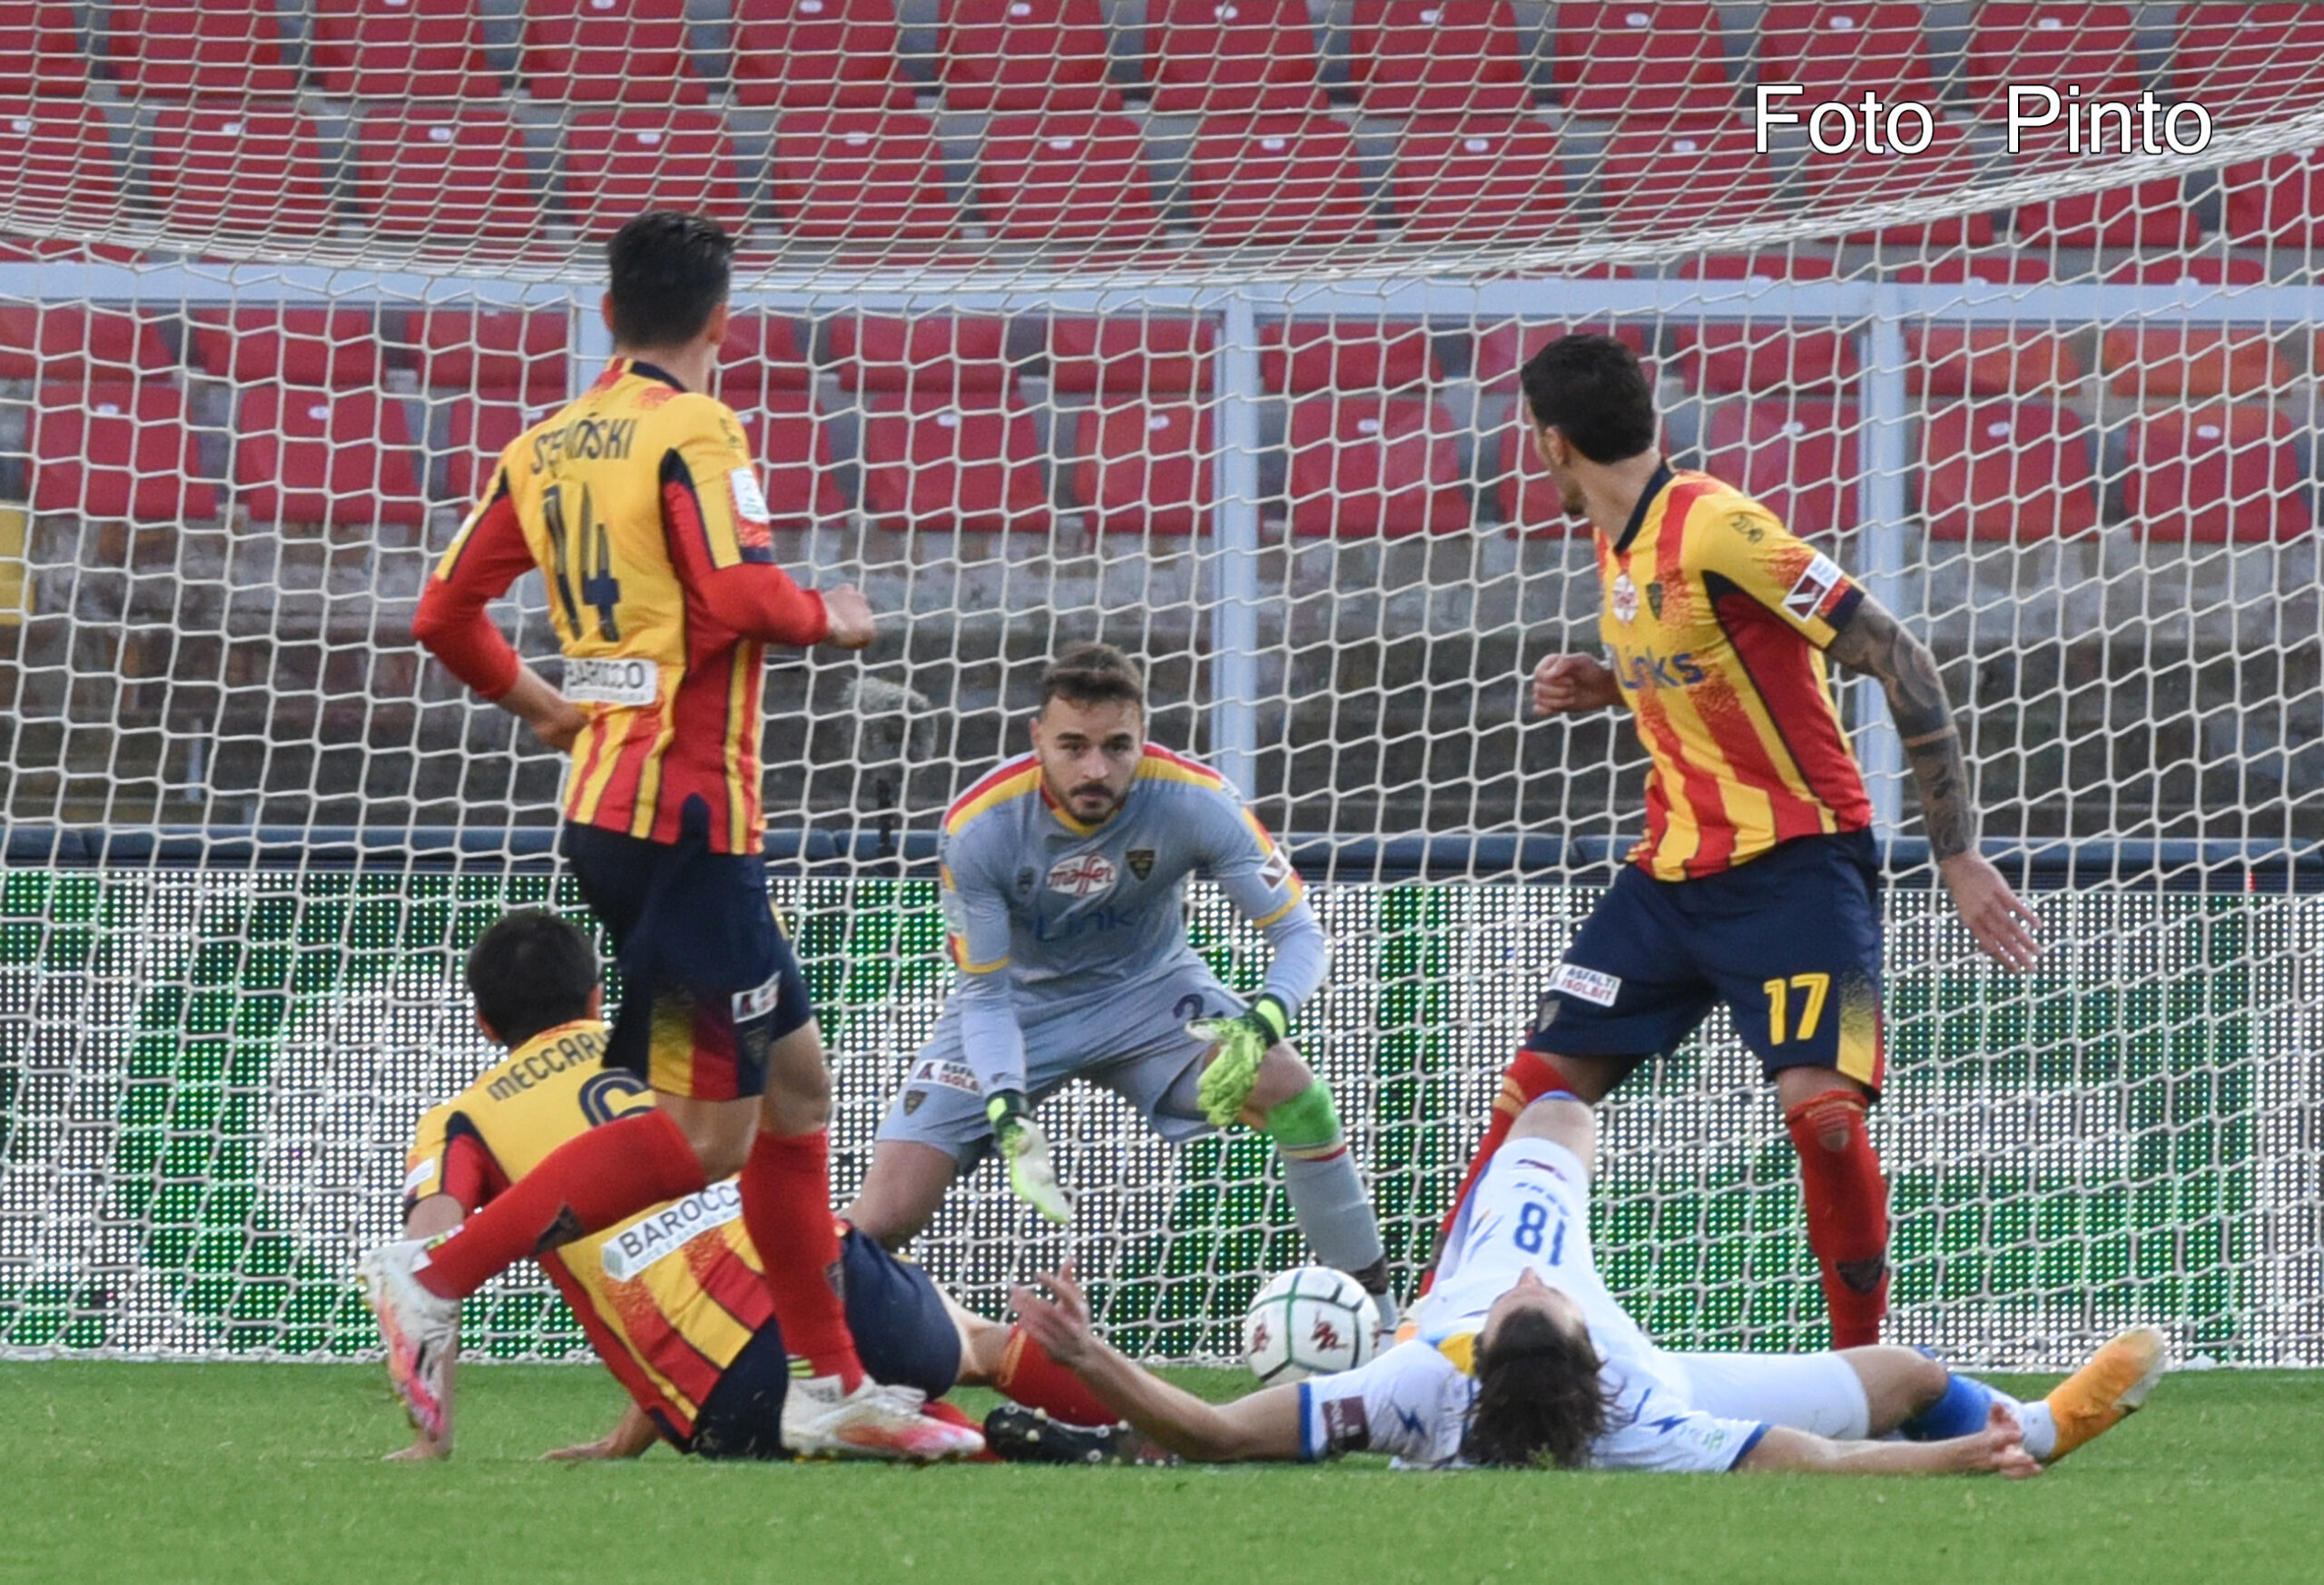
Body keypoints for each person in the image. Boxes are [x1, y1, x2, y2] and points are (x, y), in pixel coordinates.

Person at [370, 211, 975, 1461]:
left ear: (609, 313)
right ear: (721, 322)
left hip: (616, 806)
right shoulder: (695, 427)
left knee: (796, 1091)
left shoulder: (544, 442)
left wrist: (545, 707)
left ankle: (826, 1380)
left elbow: (443, 615)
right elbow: (740, 594)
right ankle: (435, 1275)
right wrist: (830, 614)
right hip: (686, 816)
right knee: (708, 1138)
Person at [1449, 332, 2044, 1347]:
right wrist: (1613, 687)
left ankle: (1863, 1367)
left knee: (1826, 1119)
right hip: (1667, 880)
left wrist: (1954, 852)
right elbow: (1717, 665)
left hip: (1802, 872)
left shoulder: (1720, 527)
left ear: (1550, 443)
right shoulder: (1617, 537)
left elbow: (1902, 659)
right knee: (1531, 1098)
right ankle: (1433, 1332)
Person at [1004, 1092, 2168, 1474]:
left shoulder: (1416, 1378)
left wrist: (1097, 1358)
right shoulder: (1646, 1415)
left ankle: (2012, 1430)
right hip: (1664, 1370)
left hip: (1446, 1329)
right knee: (1907, 1375)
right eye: (1535, 1288)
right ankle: (2035, 1429)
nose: (1520, 1272)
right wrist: (1957, 1458)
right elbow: (1819, 1465)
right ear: (1583, 1336)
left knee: (1555, 1109)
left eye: (1510, 1292)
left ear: (1468, 1343)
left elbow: (1215, 1432)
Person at [390, 910, 1133, 1463]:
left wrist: (434, 1439)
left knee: (881, 1435)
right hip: (835, 1294)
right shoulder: (664, 1047)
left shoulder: (460, 1121)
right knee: (973, 1342)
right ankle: (1144, 1430)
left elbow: (426, 1262)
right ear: (595, 998)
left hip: (723, 1392)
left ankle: (986, 1445)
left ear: (484, 1024)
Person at [843, 641, 1400, 1328]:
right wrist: (1007, 1106)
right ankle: (783, 1338)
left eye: (1117, 747)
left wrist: (1262, 1024)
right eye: (1073, 746)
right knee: (884, 1217)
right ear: (1037, 739)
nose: (1096, 769)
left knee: (1292, 1088)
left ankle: (1381, 1324)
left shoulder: (1197, 800)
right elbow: (986, 997)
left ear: (1143, 738)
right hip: (1017, 1010)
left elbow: (1302, 935)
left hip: (1150, 996)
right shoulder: (979, 827)